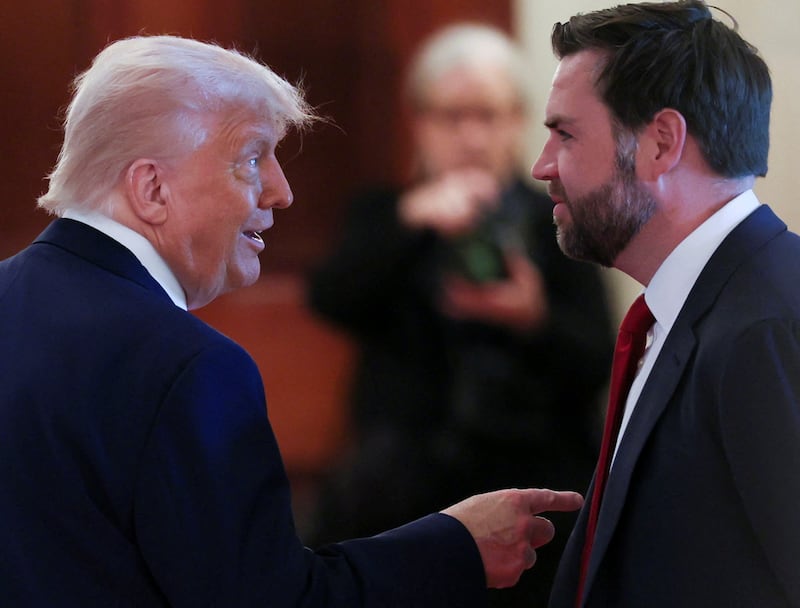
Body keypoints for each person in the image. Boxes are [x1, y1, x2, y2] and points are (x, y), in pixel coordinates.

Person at [0, 35, 586, 607]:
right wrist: (455, 545)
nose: (280, 192)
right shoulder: (189, 365)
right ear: (152, 188)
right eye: (252, 158)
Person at [306, 23, 614, 607]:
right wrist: (410, 222)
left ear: (518, 121)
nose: (472, 137)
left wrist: (533, 319)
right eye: (453, 117)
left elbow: (599, 357)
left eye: (490, 116)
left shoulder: (560, 219)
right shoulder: (387, 214)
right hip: (407, 487)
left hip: (537, 478)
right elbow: (332, 299)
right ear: (420, 122)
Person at [530, 1, 800, 607]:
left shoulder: (769, 326)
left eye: (565, 133)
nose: (541, 165)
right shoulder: (707, 307)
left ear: (660, 143)